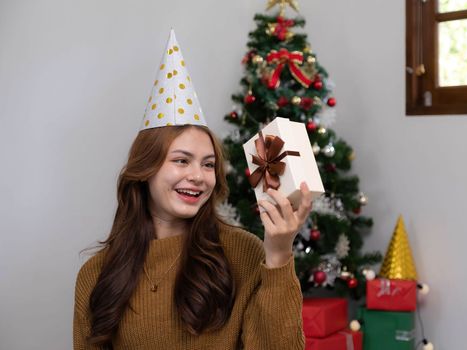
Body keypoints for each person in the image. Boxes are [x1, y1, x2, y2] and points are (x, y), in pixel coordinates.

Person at [73, 30, 312, 350]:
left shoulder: (245, 252)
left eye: (209, 164)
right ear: (146, 169)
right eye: (182, 160)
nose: (198, 176)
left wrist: (279, 252)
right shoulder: (96, 274)